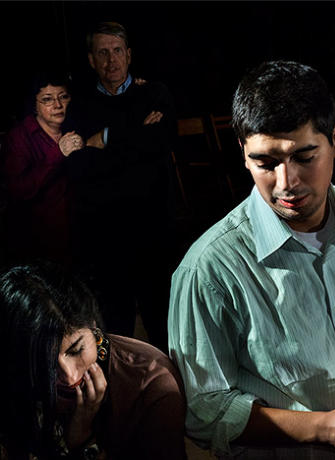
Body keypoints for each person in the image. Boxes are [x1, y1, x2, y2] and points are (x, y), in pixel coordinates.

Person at [168, 60, 335, 459]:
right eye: (265, 163)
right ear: (243, 154)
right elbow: (205, 410)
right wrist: (324, 429)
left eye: (305, 157)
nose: (286, 182)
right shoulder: (209, 270)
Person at [0, 262, 187, 459]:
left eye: (76, 350)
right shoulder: (13, 376)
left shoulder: (150, 386)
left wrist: (84, 442)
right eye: (45, 362)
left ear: (93, 325)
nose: (70, 377)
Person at [66, 21, 176, 351]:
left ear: (129, 54)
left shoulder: (155, 93)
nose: (111, 60)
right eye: (102, 53)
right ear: (91, 60)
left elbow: (161, 142)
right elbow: (80, 166)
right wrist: (137, 136)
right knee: (117, 335)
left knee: (166, 327)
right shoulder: (80, 107)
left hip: (154, 228)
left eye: (117, 51)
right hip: (107, 236)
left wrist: (105, 138)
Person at [0, 72, 87, 265]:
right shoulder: (18, 137)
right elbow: (18, 190)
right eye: (47, 99)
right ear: (34, 105)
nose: (58, 105)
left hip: (75, 240)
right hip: (37, 246)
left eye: (63, 97)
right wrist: (58, 153)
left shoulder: (75, 127)